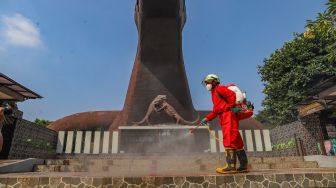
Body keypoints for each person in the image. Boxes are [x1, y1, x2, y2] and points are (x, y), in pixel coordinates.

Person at [200, 74, 250, 174]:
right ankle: (243, 165)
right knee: (236, 141)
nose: (206, 85)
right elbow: (216, 110)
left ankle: (231, 166)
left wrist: (230, 107)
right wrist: (207, 118)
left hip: (228, 116)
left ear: (214, 82)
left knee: (229, 139)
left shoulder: (220, 89)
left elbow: (232, 95)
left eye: (207, 82)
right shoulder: (214, 93)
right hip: (225, 116)